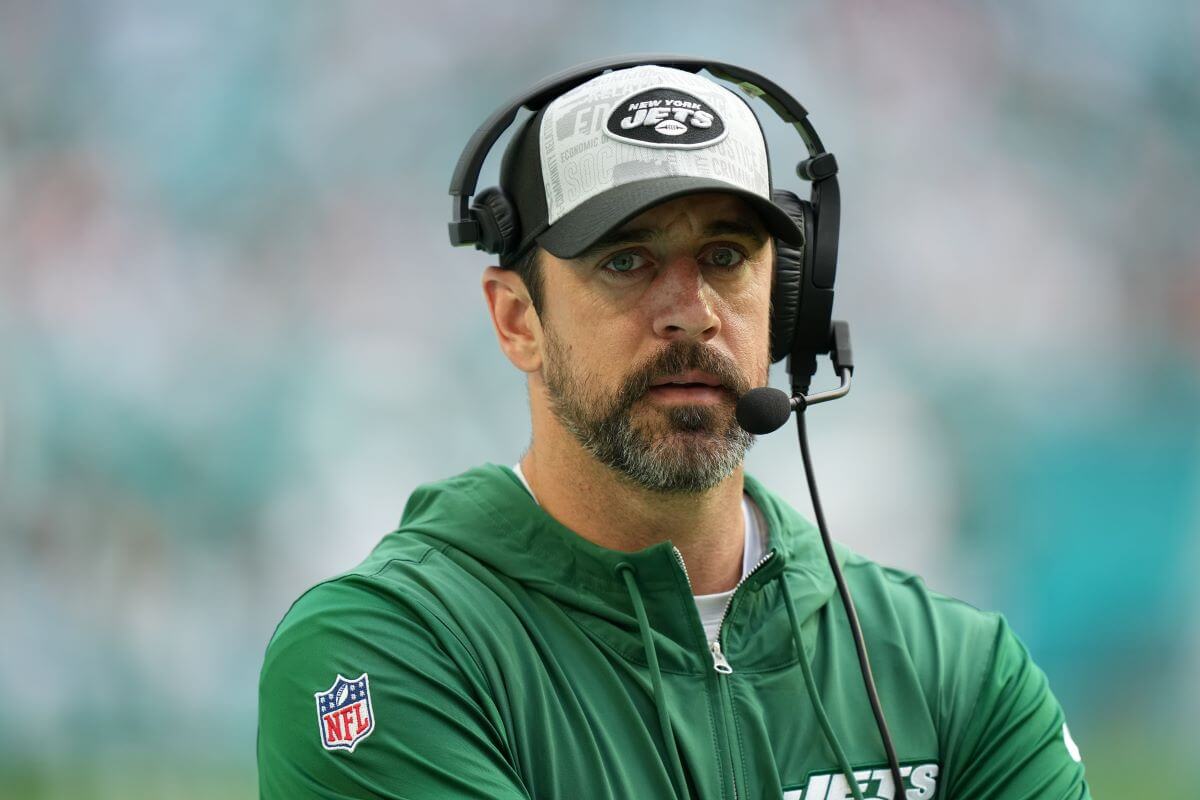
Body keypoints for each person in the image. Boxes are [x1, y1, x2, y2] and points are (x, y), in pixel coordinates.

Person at [257, 60, 1091, 799]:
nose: (691, 315)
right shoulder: (381, 654)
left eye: (727, 256)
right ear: (517, 321)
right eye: (627, 260)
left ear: (788, 304)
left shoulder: (951, 666)